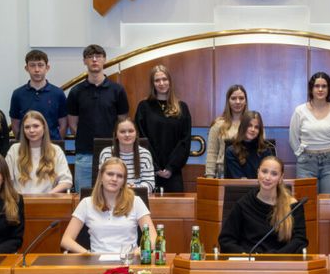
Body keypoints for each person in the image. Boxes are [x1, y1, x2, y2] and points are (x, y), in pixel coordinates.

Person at [60, 157, 155, 255]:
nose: (114, 179)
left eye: (119, 176)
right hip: (97, 263)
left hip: (128, 262)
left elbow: (153, 238)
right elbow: (66, 240)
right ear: (101, 176)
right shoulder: (86, 203)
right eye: (110, 174)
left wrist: (136, 253)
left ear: (124, 181)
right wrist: (87, 254)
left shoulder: (136, 202)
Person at [67, 44, 129, 192]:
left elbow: (122, 122)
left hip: (112, 154)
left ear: (104, 60)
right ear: (84, 61)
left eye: (98, 57)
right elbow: (73, 125)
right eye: (90, 57)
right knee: (83, 197)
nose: (94, 60)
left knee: (114, 196)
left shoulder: (117, 90)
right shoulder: (76, 91)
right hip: (84, 154)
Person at [218, 155, 308, 254]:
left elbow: (300, 240)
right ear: (258, 173)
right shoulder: (243, 204)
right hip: (249, 264)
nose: (267, 177)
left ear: (281, 178)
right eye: (264, 171)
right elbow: (226, 239)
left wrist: (276, 257)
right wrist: (243, 255)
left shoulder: (293, 206)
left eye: (274, 174)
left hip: (280, 264)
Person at [135, 64, 193, 193]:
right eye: (157, 80)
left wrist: (171, 167)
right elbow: (141, 139)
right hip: (149, 172)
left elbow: (185, 141)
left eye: (164, 79)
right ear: (152, 84)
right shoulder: (144, 107)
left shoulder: (182, 107)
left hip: (173, 172)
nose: (161, 83)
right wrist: (155, 167)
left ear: (170, 82)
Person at [290, 71, 330, 194]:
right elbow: (293, 138)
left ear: (329, 88)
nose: (320, 89)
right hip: (306, 164)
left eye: (324, 86)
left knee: (329, 206)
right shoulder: (300, 111)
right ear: (311, 88)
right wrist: (300, 155)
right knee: (307, 206)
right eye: (316, 86)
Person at [6, 111, 73, 194]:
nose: (31, 130)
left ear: (44, 127)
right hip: (19, 203)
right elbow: (6, 181)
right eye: (27, 127)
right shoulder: (14, 150)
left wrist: (48, 196)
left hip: (47, 202)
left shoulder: (56, 150)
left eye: (36, 126)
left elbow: (67, 182)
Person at [9, 49, 67, 141]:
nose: (37, 70)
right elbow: (15, 124)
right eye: (32, 65)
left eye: (40, 65)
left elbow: (63, 124)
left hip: (52, 146)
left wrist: (56, 143)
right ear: (26, 68)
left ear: (47, 68)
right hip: (26, 147)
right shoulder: (17, 94)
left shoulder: (58, 93)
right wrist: (23, 142)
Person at [98, 117, 156, 191]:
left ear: (137, 134)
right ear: (116, 135)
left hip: (136, 197)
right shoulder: (106, 154)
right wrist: (123, 188)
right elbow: (102, 181)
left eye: (131, 131)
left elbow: (150, 183)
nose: (127, 135)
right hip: (112, 196)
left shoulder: (145, 154)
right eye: (122, 132)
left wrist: (133, 188)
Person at [205, 85, 248, 179]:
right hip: (223, 173)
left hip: (247, 174)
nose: (237, 102)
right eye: (233, 98)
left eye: (241, 98)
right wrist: (209, 177)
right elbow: (212, 153)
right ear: (228, 101)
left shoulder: (252, 124)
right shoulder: (218, 124)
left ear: (245, 101)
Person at [225, 111, 274, 180]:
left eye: (256, 127)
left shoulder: (266, 150)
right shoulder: (231, 151)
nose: (253, 130)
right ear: (243, 127)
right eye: (249, 126)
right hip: (241, 189)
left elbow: (269, 176)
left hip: (264, 188)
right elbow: (240, 179)